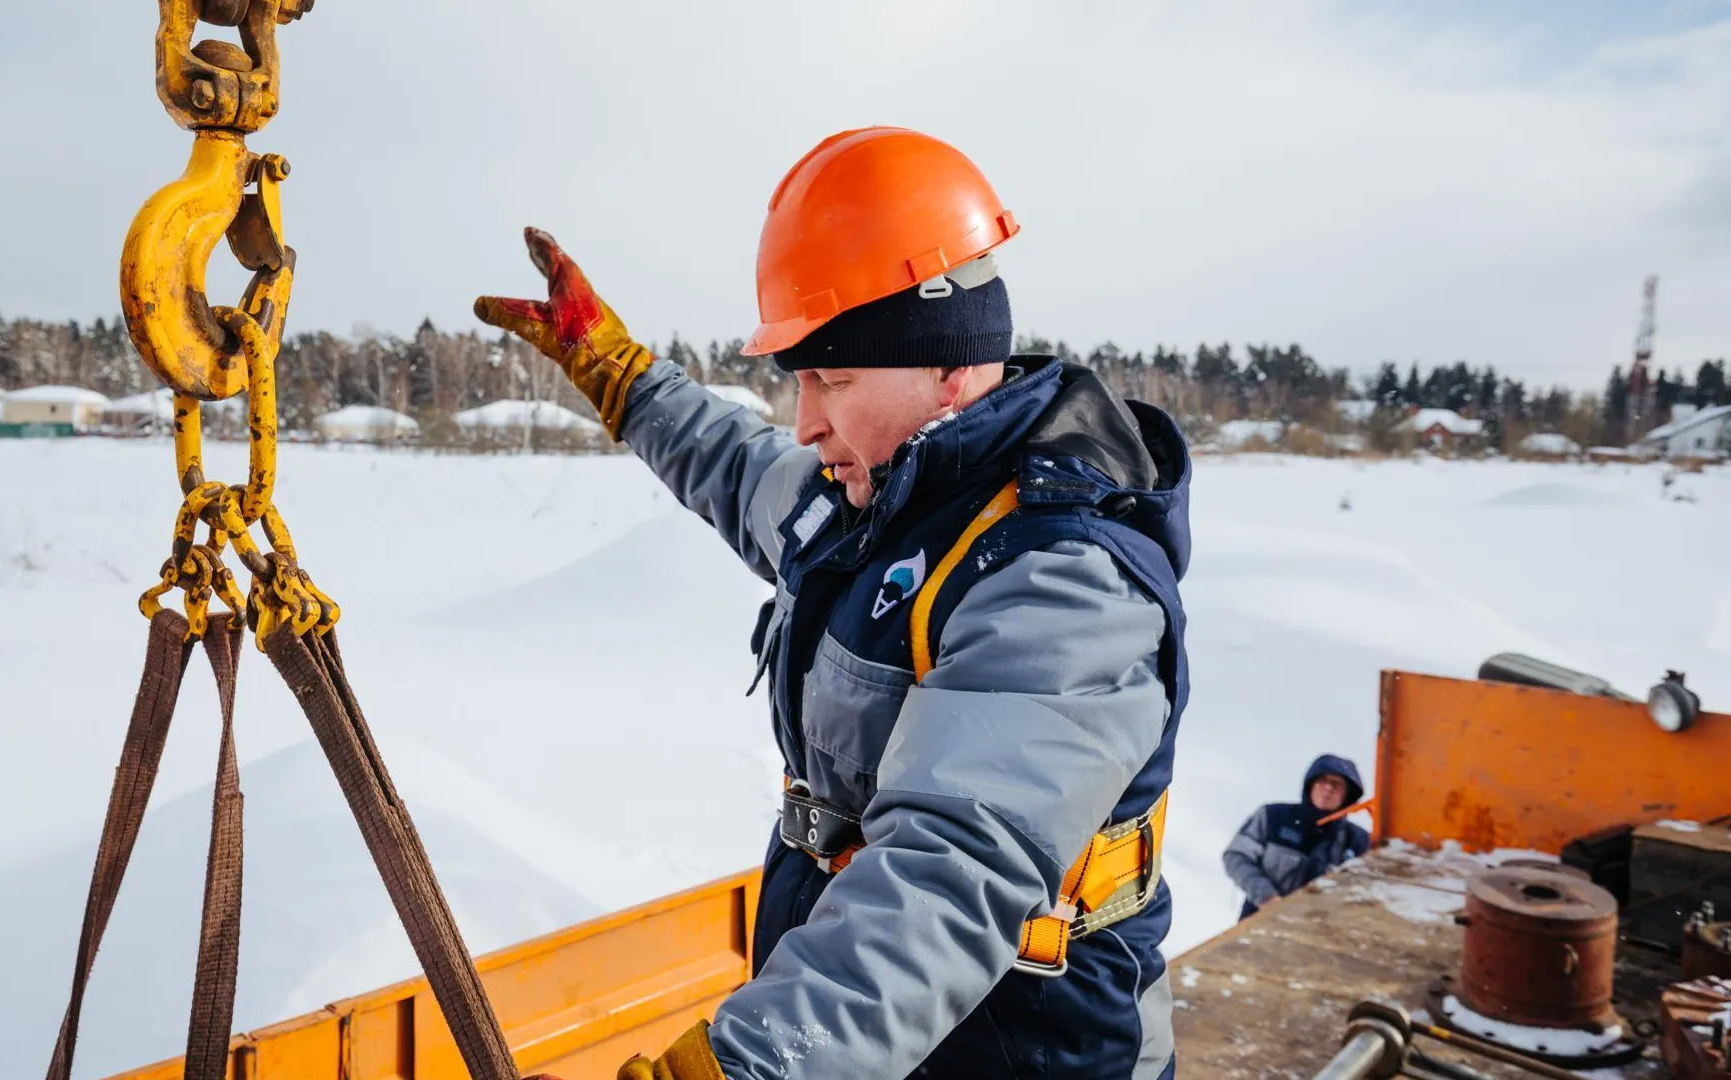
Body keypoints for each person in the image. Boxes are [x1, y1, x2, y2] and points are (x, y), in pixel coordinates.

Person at [477, 126, 1191, 1080]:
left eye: (835, 378)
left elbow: (947, 879)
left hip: (1021, 1039)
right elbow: (736, 466)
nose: (805, 420)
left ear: (949, 365)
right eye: (800, 378)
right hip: (863, 1031)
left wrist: (743, 1068)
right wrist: (618, 373)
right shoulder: (865, 492)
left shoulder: (1058, 577)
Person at [1223, 754, 1371, 920]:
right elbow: (1236, 856)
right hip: (1259, 926)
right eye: (1323, 780)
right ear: (1311, 784)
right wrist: (1267, 898)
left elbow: (1371, 889)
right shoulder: (1273, 817)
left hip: (1321, 936)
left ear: (1348, 795)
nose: (1328, 788)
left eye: (1337, 784)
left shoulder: (1359, 841)